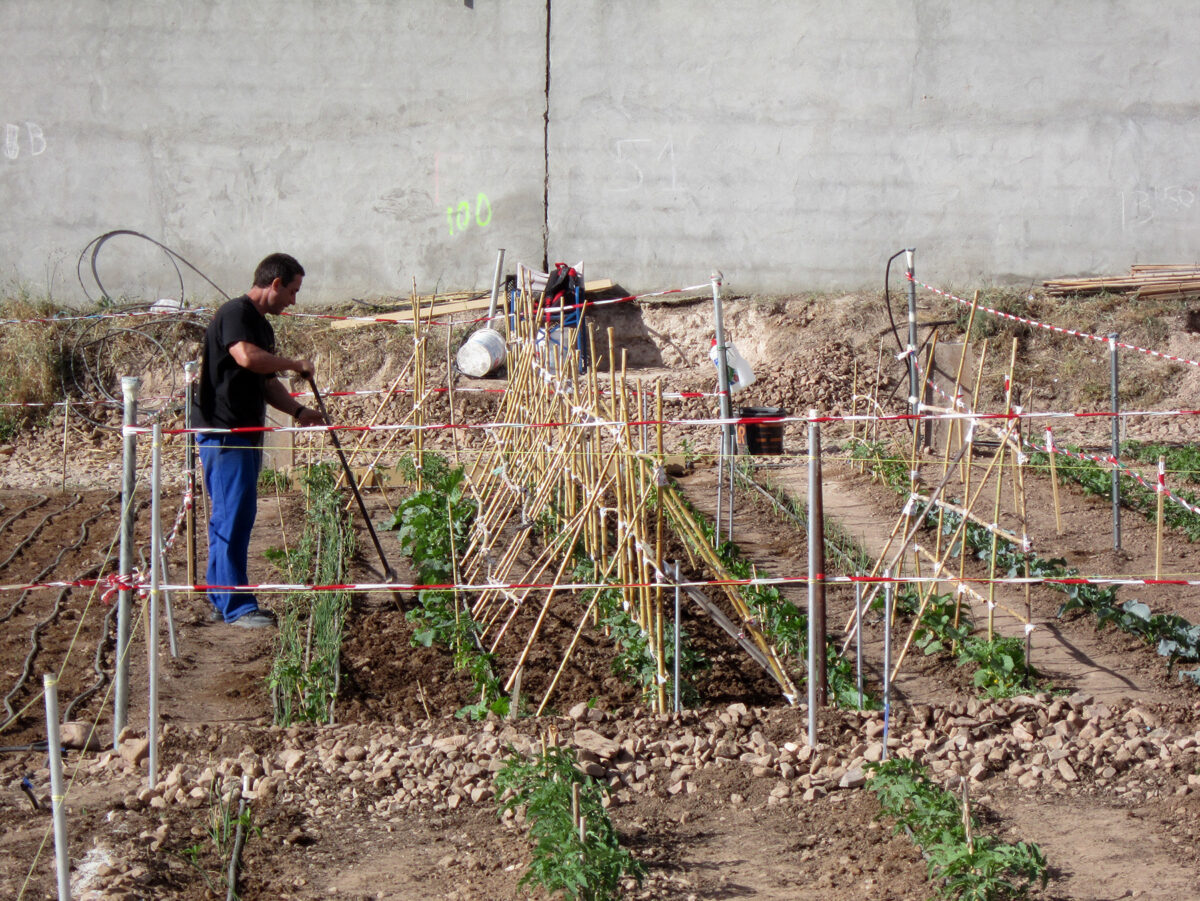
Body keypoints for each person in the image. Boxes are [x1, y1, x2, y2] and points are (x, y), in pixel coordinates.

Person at [191, 253, 325, 627]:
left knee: (237, 514)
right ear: (275, 283)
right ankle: (236, 606)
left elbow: (266, 383)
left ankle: (222, 598)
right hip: (225, 433)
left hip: (247, 433)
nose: (293, 301)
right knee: (232, 516)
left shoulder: (262, 326)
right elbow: (247, 358)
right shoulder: (235, 313)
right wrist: (294, 364)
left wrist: (299, 411)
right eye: (292, 291)